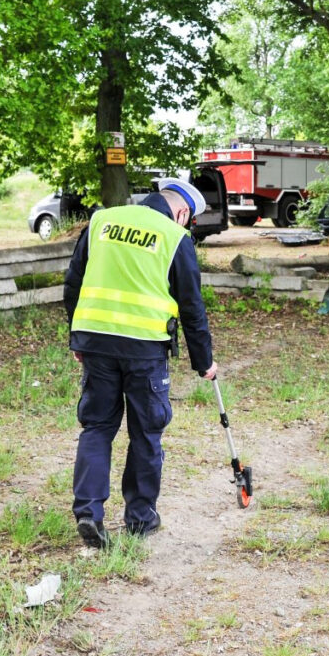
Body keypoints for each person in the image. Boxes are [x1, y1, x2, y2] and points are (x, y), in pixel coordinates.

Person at [63, 178, 217, 549]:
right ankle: (140, 519)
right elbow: (191, 307)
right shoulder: (173, 237)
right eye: (189, 220)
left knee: (97, 427)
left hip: (96, 344)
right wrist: (204, 362)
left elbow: (74, 282)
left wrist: (77, 337)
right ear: (182, 211)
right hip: (145, 351)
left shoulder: (101, 221)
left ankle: (88, 512)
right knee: (146, 432)